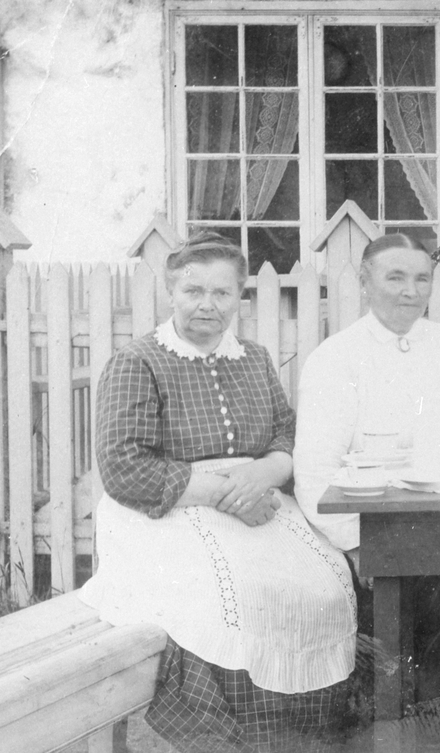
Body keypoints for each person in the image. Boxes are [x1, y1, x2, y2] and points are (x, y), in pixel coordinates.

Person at [79, 233, 356, 753]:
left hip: (255, 495)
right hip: (163, 508)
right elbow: (123, 467)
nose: (207, 304)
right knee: (236, 593)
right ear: (171, 292)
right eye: (193, 291)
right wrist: (227, 492)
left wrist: (269, 471)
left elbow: (286, 432)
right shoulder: (138, 361)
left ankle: (304, 734)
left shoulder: (252, 357)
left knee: (325, 578)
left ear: (240, 297)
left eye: (222, 293)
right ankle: (224, 736)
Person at [294, 232, 440, 554]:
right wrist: (361, 547)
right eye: (395, 278)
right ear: (364, 283)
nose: (411, 292)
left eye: (422, 279)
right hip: (375, 530)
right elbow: (315, 472)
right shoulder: (335, 358)